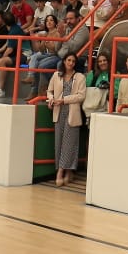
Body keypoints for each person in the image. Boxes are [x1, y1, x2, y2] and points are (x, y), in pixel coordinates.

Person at [47, 53, 86, 187]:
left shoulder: (80, 77)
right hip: (58, 113)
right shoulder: (56, 75)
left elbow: (80, 96)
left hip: (72, 113)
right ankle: (69, 171)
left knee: (69, 144)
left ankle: (60, 172)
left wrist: (64, 100)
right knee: (59, 144)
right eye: (68, 60)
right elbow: (49, 91)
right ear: (64, 61)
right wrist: (51, 99)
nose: (71, 63)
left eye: (73, 61)